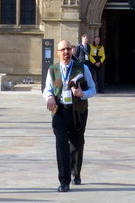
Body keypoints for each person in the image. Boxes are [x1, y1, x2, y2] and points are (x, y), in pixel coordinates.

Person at [43, 39, 96, 192]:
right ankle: (64, 181)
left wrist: (82, 93)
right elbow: (47, 89)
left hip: (77, 111)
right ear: (57, 52)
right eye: (63, 50)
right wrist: (50, 97)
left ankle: (76, 172)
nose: (66, 52)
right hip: (59, 111)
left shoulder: (82, 68)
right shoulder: (52, 70)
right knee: (61, 144)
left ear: (72, 50)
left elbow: (93, 89)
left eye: (68, 49)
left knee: (77, 143)